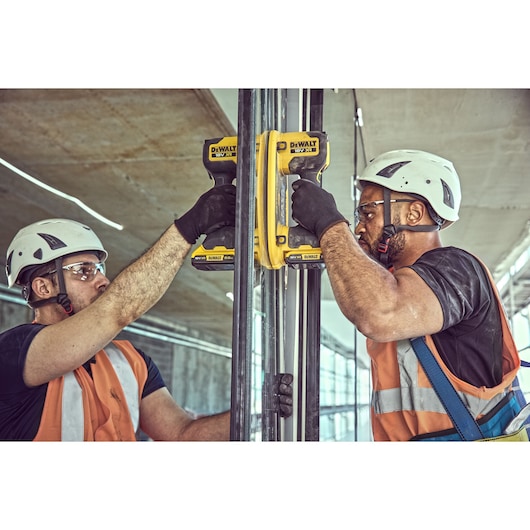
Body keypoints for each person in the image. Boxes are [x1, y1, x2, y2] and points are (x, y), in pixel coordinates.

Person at [1, 184, 292, 441]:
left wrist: (256, 408)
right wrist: (188, 228)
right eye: (83, 272)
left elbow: (182, 435)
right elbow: (116, 310)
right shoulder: (14, 353)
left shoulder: (131, 361)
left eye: (100, 270)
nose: (103, 280)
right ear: (42, 287)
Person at [291, 149, 524, 441]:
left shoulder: (458, 269)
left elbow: (380, 313)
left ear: (414, 213)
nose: (360, 227)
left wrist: (329, 225)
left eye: (369, 213)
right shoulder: (392, 282)